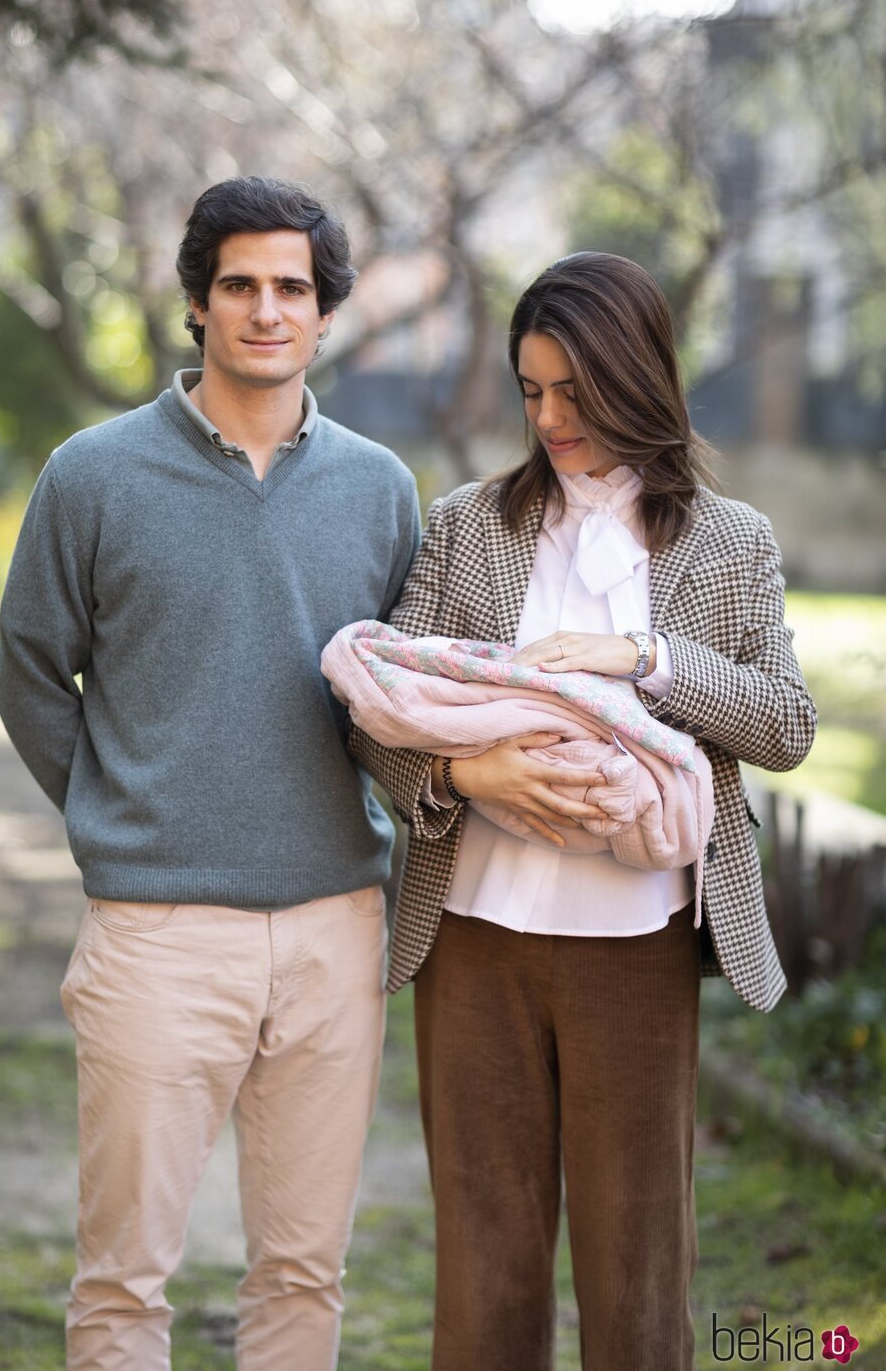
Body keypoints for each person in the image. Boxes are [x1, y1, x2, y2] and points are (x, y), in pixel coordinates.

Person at [348, 252, 816, 1371]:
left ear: (635, 376)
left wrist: (645, 657)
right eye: (530, 390)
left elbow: (785, 727)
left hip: (635, 952)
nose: (549, 418)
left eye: (573, 390)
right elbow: (378, 717)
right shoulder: (468, 525)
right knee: (483, 1261)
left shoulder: (728, 541)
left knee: (637, 1270)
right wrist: (466, 779)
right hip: (471, 944)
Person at [0, 175, 421, 1371]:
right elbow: (32, 673)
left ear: (325, 312)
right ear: (197, 302)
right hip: (155, 929)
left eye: (292, 286)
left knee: (302, 1273)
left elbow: (404, 698)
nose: (266, 308)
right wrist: (116, 813)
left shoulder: (380, 489)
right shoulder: (92, 475)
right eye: (240, 284)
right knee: (123, 1282)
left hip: (336, 922)